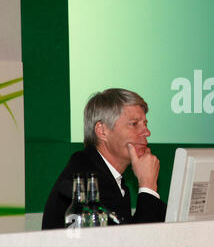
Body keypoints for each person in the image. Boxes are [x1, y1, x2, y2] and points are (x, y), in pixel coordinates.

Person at [42, 88, 166, 229]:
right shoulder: (88, 181)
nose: (147, 132)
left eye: (145, 124)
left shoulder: (107, 175)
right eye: (134, 124)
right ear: (102, 131)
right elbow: (139, 242)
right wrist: (148, 186)